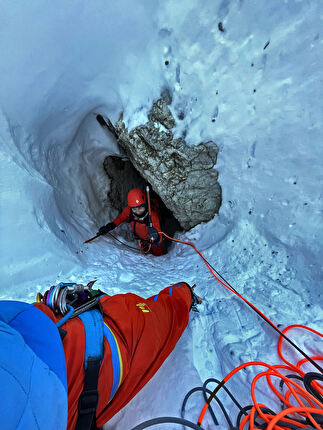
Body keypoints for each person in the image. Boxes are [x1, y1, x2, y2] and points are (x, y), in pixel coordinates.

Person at [0, 280, 202, 430]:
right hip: (84, 353)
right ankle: (182, 295)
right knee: (150, 319)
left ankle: (183, 294)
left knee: (151, 317)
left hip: (77, 345)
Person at [98, 188, 167, 256]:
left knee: (158, 254)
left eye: (140, 208)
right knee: (144, 252)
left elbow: (159, 233)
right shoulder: (129, 210)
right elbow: (120, 218)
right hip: (142, 239)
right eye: (134, 209)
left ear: (145, 205)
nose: (137, 211)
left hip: (152, 239)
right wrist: (109, 226)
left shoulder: (152, 215)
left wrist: (156, 239)